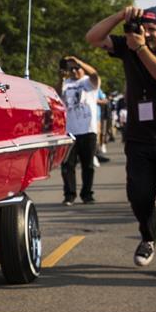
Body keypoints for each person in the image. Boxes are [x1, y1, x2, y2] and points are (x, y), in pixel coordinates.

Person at [86, 5, 156, 278]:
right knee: (139, 195)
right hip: (139, 137)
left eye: (152, 28)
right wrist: (121, 17)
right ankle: (149, 236)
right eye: (142, 27)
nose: (145, 33)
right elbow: (93, 38)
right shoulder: (129, 45)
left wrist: (142, 48)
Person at [56, 56, 101, 205]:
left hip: (88, 130)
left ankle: (87, 194)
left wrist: (78, 61)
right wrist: (61, 79)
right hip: (69, 131)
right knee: (67, 165)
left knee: (87, 165)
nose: (74, 71)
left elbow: (95, 74)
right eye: (71, 69)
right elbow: (56, 95)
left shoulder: (88, 82)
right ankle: (69, 195)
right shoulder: (66, 84)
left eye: (76, 68)